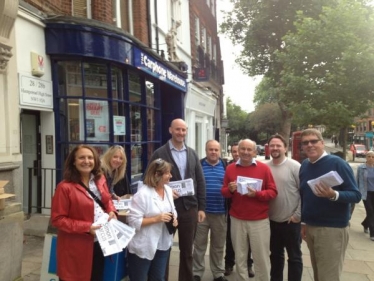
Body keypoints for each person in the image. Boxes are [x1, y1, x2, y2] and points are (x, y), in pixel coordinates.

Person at [299, 129, 361, 281]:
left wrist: (333, 195)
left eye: (313, 141)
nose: (310, 145)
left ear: (322, 143)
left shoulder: (337, 163)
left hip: (332, 229)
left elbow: (356, 195)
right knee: (318, 275)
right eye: (305, 142)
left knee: (329, 276)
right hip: (311, 227)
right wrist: (304, 223)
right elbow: (305, 196)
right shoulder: (305, 165)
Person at [149, 118, 206, 281]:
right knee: (163, 249)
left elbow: (200, 181)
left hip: (190, 209)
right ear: (170, 130)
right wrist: (164, 190)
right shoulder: (160, 153)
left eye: (184, 130)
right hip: (166, 209)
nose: (181, 133)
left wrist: (201, 207)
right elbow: (150, 179)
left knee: (187, 251)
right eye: (178, 129)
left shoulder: (192, 153)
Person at [51, 145, 117, 281]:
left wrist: (112, 211)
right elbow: (57, 219)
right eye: (81, 157)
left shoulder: (100, 179)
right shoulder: (64, 188)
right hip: (76, 248)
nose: (86, 161)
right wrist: (87, 227)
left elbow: (106, 200)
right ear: (73, 162)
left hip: (100, 242)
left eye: (90, 157)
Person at [221, 139, 277, 281]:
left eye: (249, 149)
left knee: (261, 257)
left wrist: (257, 194)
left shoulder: (264, 169)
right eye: (243, 149)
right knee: (240, 256)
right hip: (237, 219)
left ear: (255, 152)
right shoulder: (230, 168)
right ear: (238, 151)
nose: (245, 152)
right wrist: (231, 190)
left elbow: (273, 192)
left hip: (259, 221)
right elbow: (224, 192)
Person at [127, 158, 178, 281]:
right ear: (157, 174)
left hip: (163, 244)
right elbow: (132, 221)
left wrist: (175, 219)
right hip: (144, 245)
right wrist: (156, 219)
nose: (170, 176)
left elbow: (173, 210)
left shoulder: (167, 190)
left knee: (158, 278)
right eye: (167, 173)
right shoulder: (142, 194)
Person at [266, 134, 303, 281]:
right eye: (272, 146)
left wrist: (297, 216)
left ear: (285, 148)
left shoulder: (295, 167)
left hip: (291, 221)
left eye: (278, 145)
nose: (275, 148)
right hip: (271, 221)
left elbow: (303, 193)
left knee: (294, 257)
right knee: (275, 256)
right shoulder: (265, 167)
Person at [193, 140, 227, 281]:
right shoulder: (198, 166)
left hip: (220, 212)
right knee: (199, 245)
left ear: (220, 151)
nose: (213, 152)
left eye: (216, 150)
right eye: (210, 149)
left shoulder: (226, 166)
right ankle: (197, 272)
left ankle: (218, 273)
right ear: (206, 150)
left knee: (218, 245)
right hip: (202, 213)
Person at [224, 143, 255, 278]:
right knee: (231, 239)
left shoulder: (255, 167)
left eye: (239, 151)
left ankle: (248, 264)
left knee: (247, 241)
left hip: (249, 209)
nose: (237, 154)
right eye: (234, 151)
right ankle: (229, 263)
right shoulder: (229, 167)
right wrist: (230, 189)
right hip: (232, 207)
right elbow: (224, 188)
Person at [357, 150, 374, 239]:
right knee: (370, 211)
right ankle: (372, 233)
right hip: (365, 193)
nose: (371, 158)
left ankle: (365, 224)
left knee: (372, 212)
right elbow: (358, 180)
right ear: (366, 158)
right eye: (369, 156)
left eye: (372, 157)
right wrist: (356, 191)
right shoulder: (361, 167)